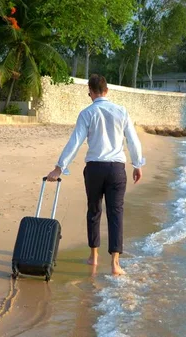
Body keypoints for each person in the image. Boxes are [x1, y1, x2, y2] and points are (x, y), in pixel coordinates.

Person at [46, 74, 145, 276]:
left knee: (94, 211)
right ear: (107, 91)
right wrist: (137, 164)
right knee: (116, 213)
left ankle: (94, 256)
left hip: (94, 169)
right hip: (117, 169)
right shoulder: (121, 111)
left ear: (90, 92)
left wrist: (59, 167)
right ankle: (115, 264)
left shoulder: (87, 113)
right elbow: (132, 141)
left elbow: (75, 142)